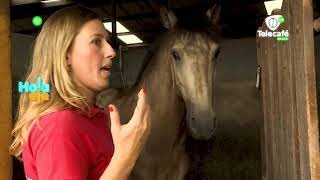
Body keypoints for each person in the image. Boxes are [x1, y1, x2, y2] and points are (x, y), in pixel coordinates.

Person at [9, 5, 151, 180]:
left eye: (107, 42)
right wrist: (125, 158)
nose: (112, 52)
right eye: (96, 42)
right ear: (66, 54)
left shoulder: (90, 118)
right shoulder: (59, 126)